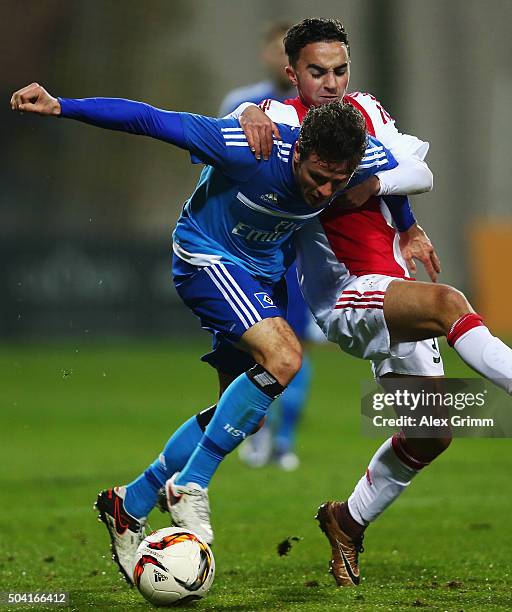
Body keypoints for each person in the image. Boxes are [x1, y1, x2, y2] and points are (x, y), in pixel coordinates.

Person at [223, 18, 512, 587]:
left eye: (340, 70)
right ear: (291, 72)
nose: (331, 82)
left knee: (431, 432)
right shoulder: (277, 121)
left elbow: (419, 170)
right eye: (316, 71)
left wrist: (388, 198)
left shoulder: (366, 110)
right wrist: (244, 115)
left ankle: (345, 523)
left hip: (391, 286)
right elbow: (220, 140)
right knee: (449, 302)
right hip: (346, 298)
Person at [10, 82, 415, 584]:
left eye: (340, 180)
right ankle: (191, 485)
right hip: (207, 257)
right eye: (319, 177)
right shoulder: (248, 146)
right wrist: (62, 105)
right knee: (286, 358)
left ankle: (129, 501)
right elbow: (147, 118)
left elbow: (404, 171)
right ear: (303, 152)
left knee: (238, 414)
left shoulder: (354, 156)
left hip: (262, 274)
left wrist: (409, 224)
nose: (327, 192)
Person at [219, 21, 313, 472]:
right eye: (276, 51)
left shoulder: (319, 109)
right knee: (253, 349)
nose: (283, 61)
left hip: (293, 250)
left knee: (296, 346)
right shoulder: (239, 104)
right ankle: (256, 433)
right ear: (267, 56)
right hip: (239, 251)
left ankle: (285, 440)